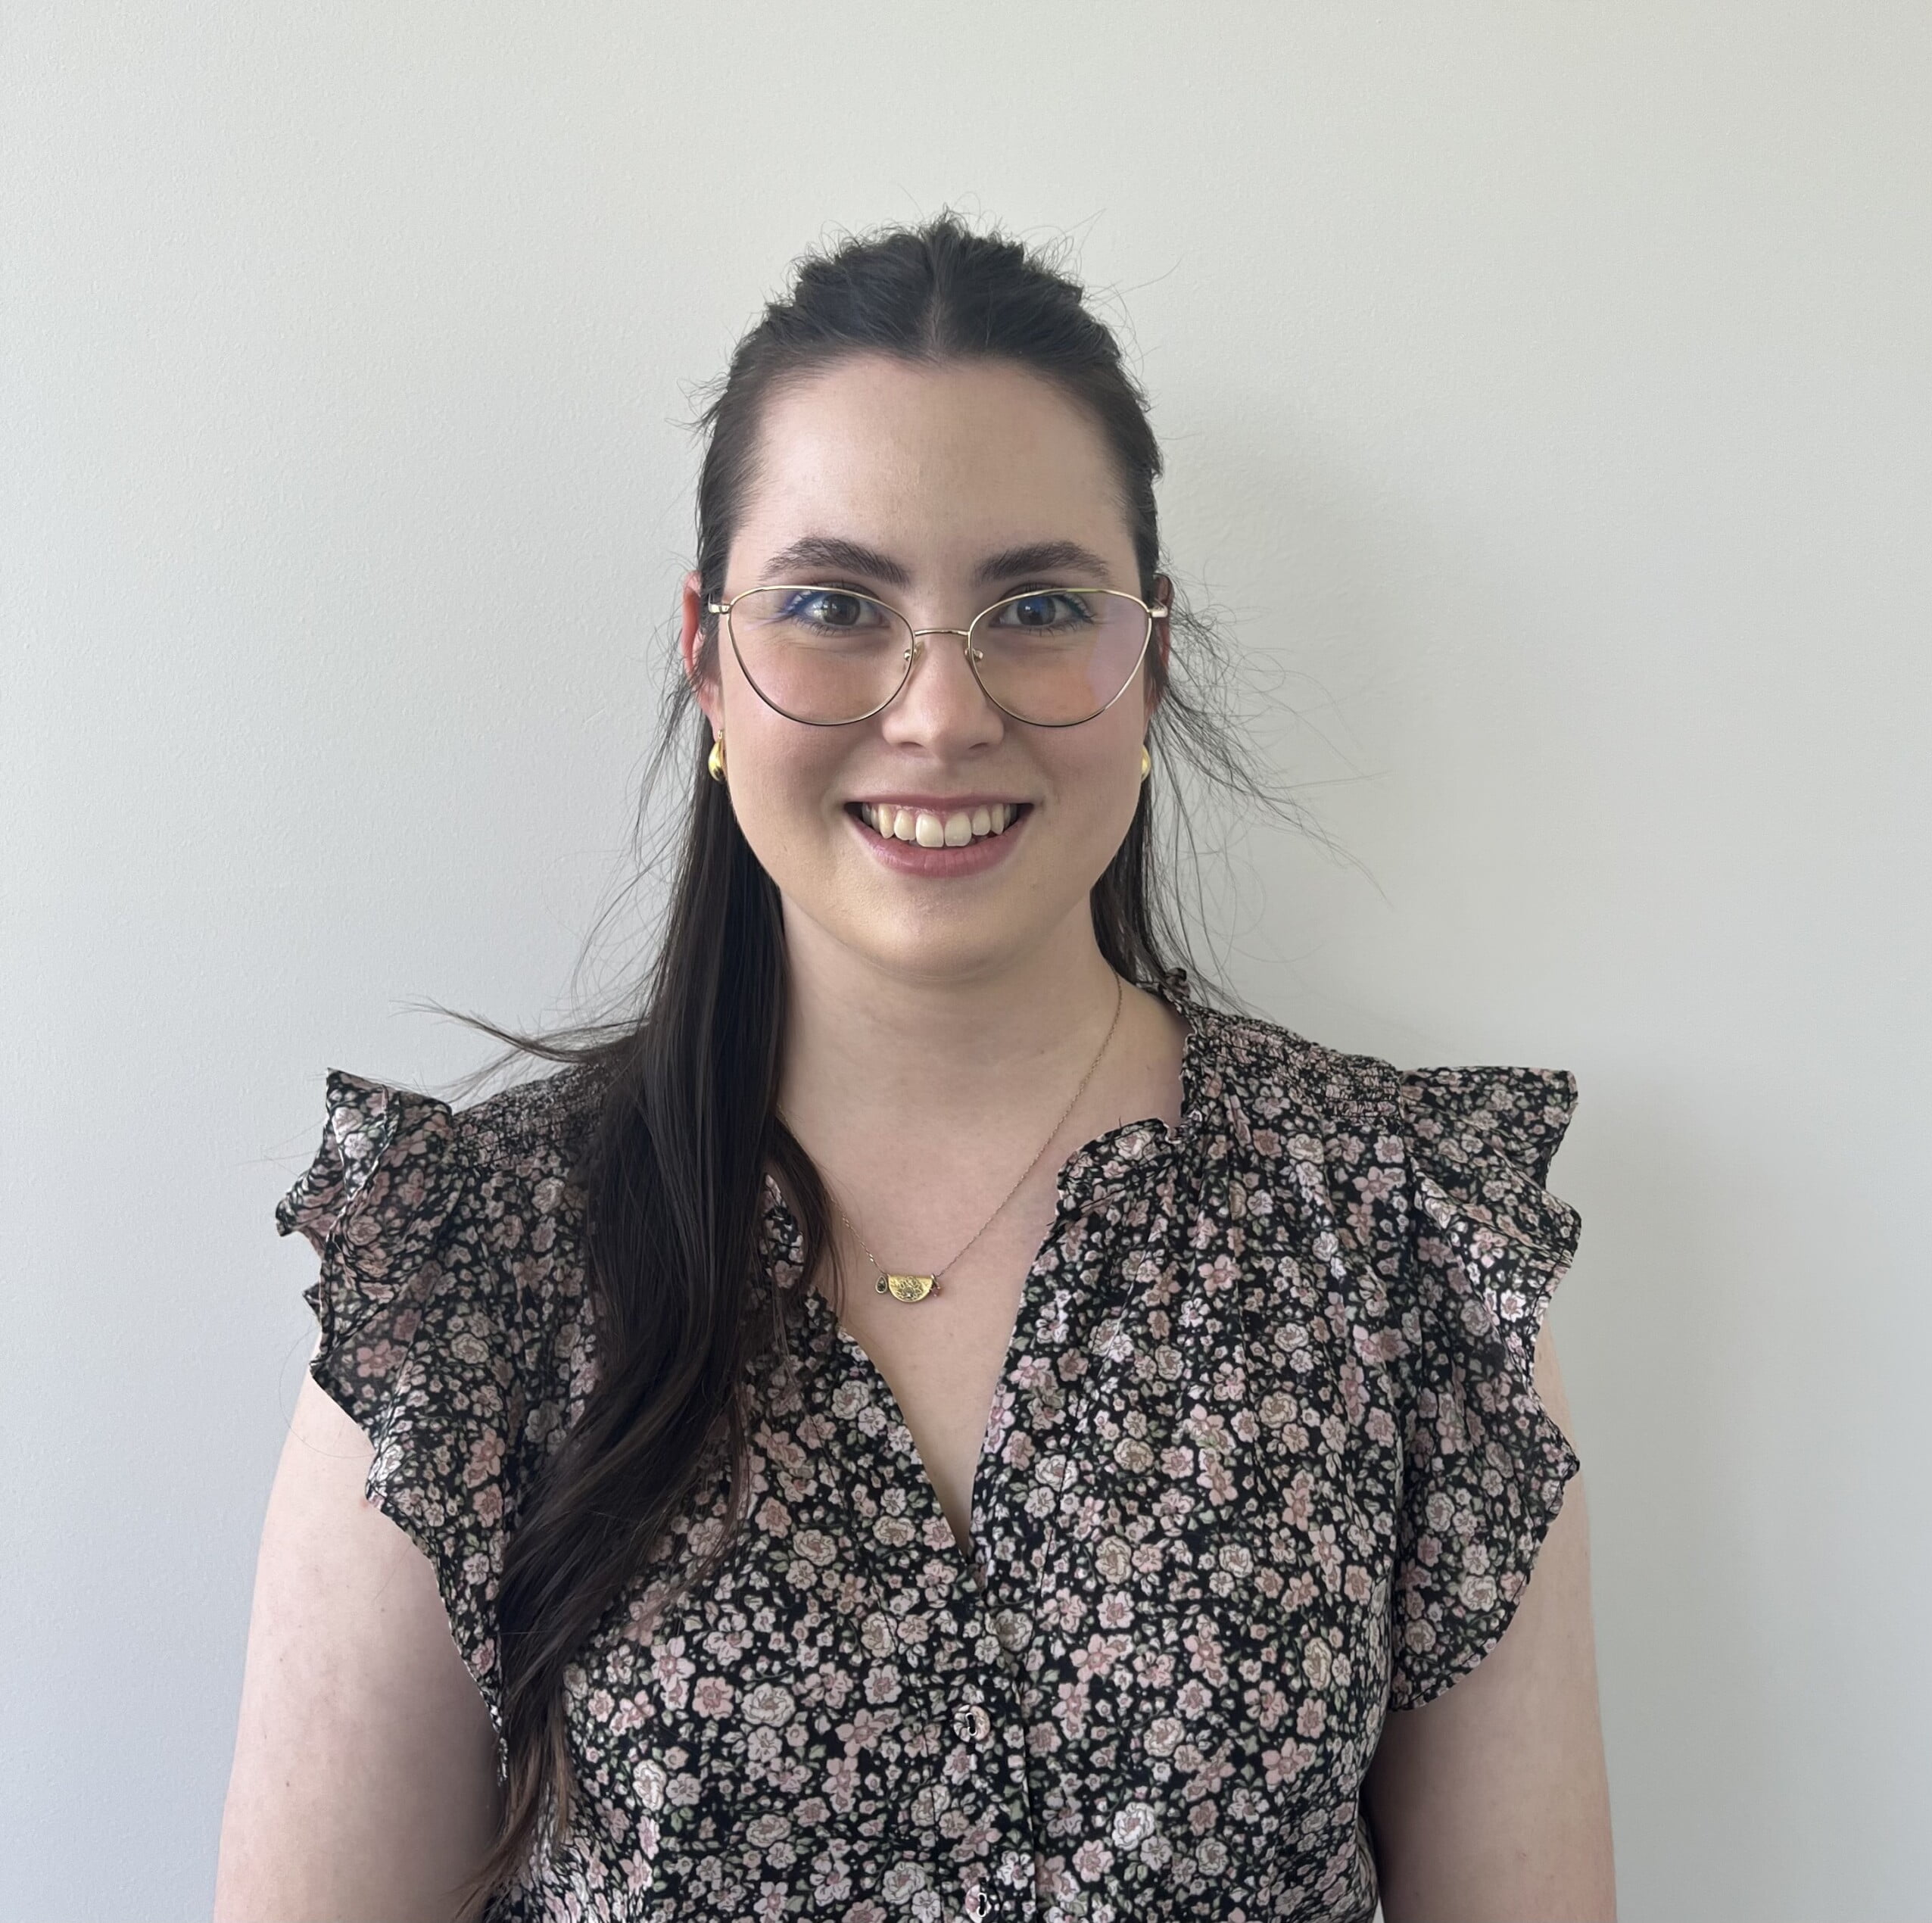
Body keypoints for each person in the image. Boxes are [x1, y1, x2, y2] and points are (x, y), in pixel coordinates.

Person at [216, 215, 1616, 1922]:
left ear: (1150, 656)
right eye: (832, 604)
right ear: (707, 652)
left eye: (1036, 607)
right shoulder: (468, 1278)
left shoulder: (1402, 1244)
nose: (940, 715)